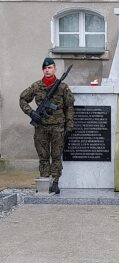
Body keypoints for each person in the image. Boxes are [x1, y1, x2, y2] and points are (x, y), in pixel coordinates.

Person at [19, 57, 74, 194]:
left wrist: (69, 125)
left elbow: (69, 106)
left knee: (56, 156)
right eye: (45, 68)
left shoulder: (62, 87)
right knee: (43, 156)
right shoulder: (36, 86)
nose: (47, 70)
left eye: (50, 68)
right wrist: (31, 113)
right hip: (41, 127)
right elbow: (22, 99)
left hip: (58, 127)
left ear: (54, 69)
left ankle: (55, 182)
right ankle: (44, 182)